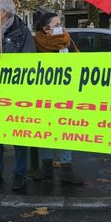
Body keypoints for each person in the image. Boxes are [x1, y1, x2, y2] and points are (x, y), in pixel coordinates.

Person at [0, 0, 36, 191]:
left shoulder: (23, 33)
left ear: (3, 12)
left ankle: (20, 173)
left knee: (19, 134)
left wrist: (5, 59)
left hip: (16, 94)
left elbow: (29, 61)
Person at [31, 11, 83, 185]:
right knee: (45, 131)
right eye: (57, 24)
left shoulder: (67, 41)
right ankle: (46, 166)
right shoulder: (35, 44)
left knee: (65, 131)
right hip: (43, 95)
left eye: (61, 23)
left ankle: (67, 168)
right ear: (46, 29)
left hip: (65, 94)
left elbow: (79, 62)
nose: (61, 27)